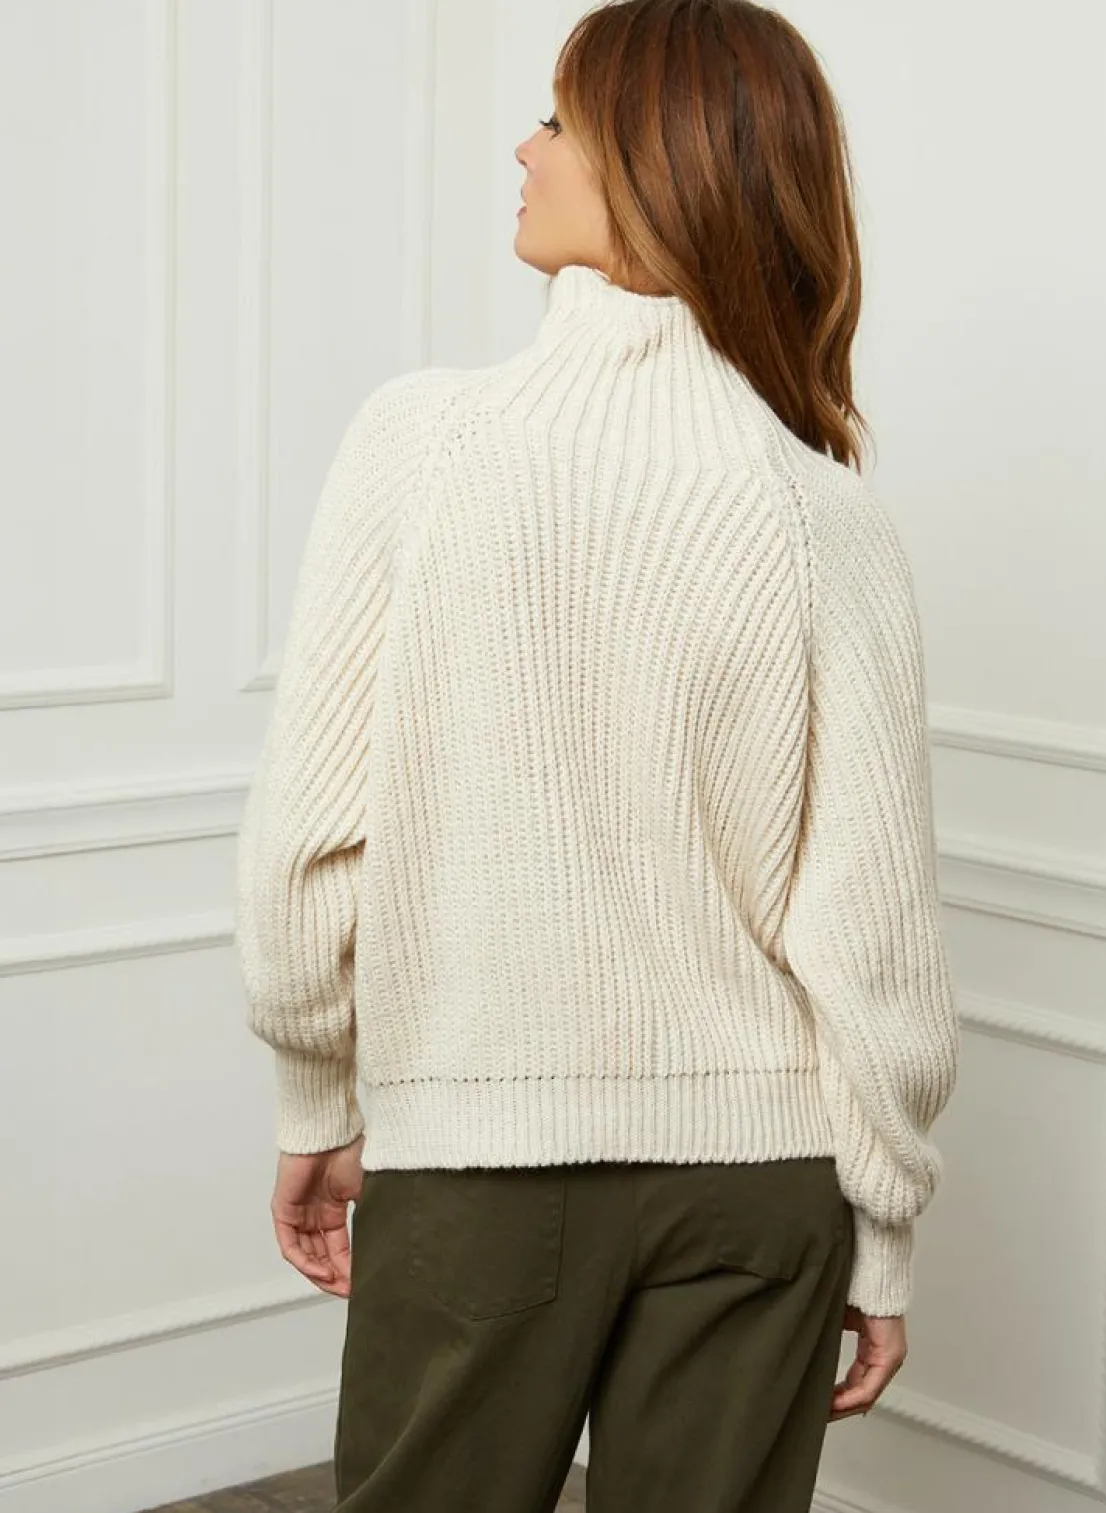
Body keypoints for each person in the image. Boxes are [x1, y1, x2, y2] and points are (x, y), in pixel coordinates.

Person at [233, 1, 961, 1508]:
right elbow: (872, 935)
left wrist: (317, 1096)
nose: (523, 148)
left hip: (480, 1159)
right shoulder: (825, 515)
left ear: (653, 161)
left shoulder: (423, 445)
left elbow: (308, 846)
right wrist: (881, 1232)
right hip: (765, 1189)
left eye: (558, 121)